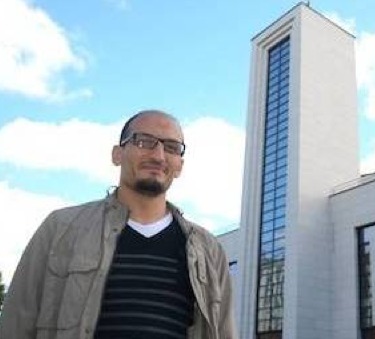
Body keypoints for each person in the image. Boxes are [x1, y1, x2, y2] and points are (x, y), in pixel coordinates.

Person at [0, 110, 237, 339]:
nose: (158, 156)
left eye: (172, 148)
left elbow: (224, 331)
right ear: (117, 154)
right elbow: (16, 322)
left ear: (180, 166)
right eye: (144, 141)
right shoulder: (61, 229)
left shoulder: (208, 249)